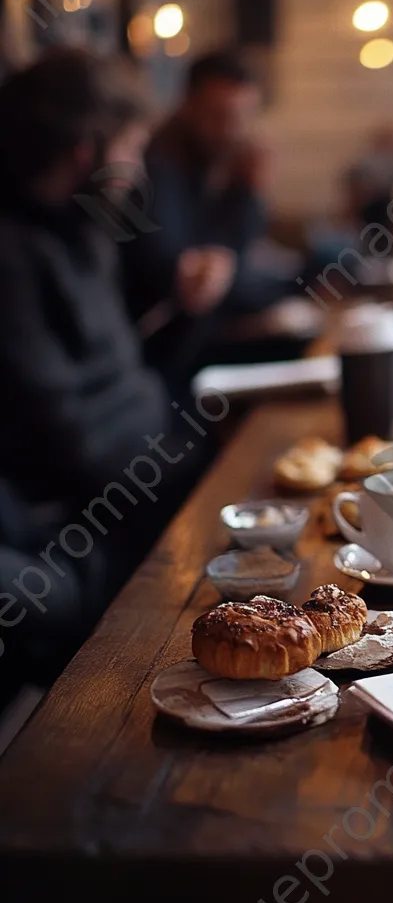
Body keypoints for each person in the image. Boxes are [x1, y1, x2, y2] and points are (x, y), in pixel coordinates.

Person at [0, 49, 205, 686]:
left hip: (142, 473)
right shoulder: (11, 253)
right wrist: (173, 472)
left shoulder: (85, 228)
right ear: (87, 149)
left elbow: (127, 375)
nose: (137, 168)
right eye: (130, 147)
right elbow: (59, 430)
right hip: (93, 510)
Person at [121, 50, 303, 390]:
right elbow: (199, 275)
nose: (232, 130)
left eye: (242, 117)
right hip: (163, 359)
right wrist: (248, 193)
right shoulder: (157, 169)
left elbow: (227, 259)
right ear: (188, 104)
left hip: (193, 339)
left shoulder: (204, 166)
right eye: (219, 116)